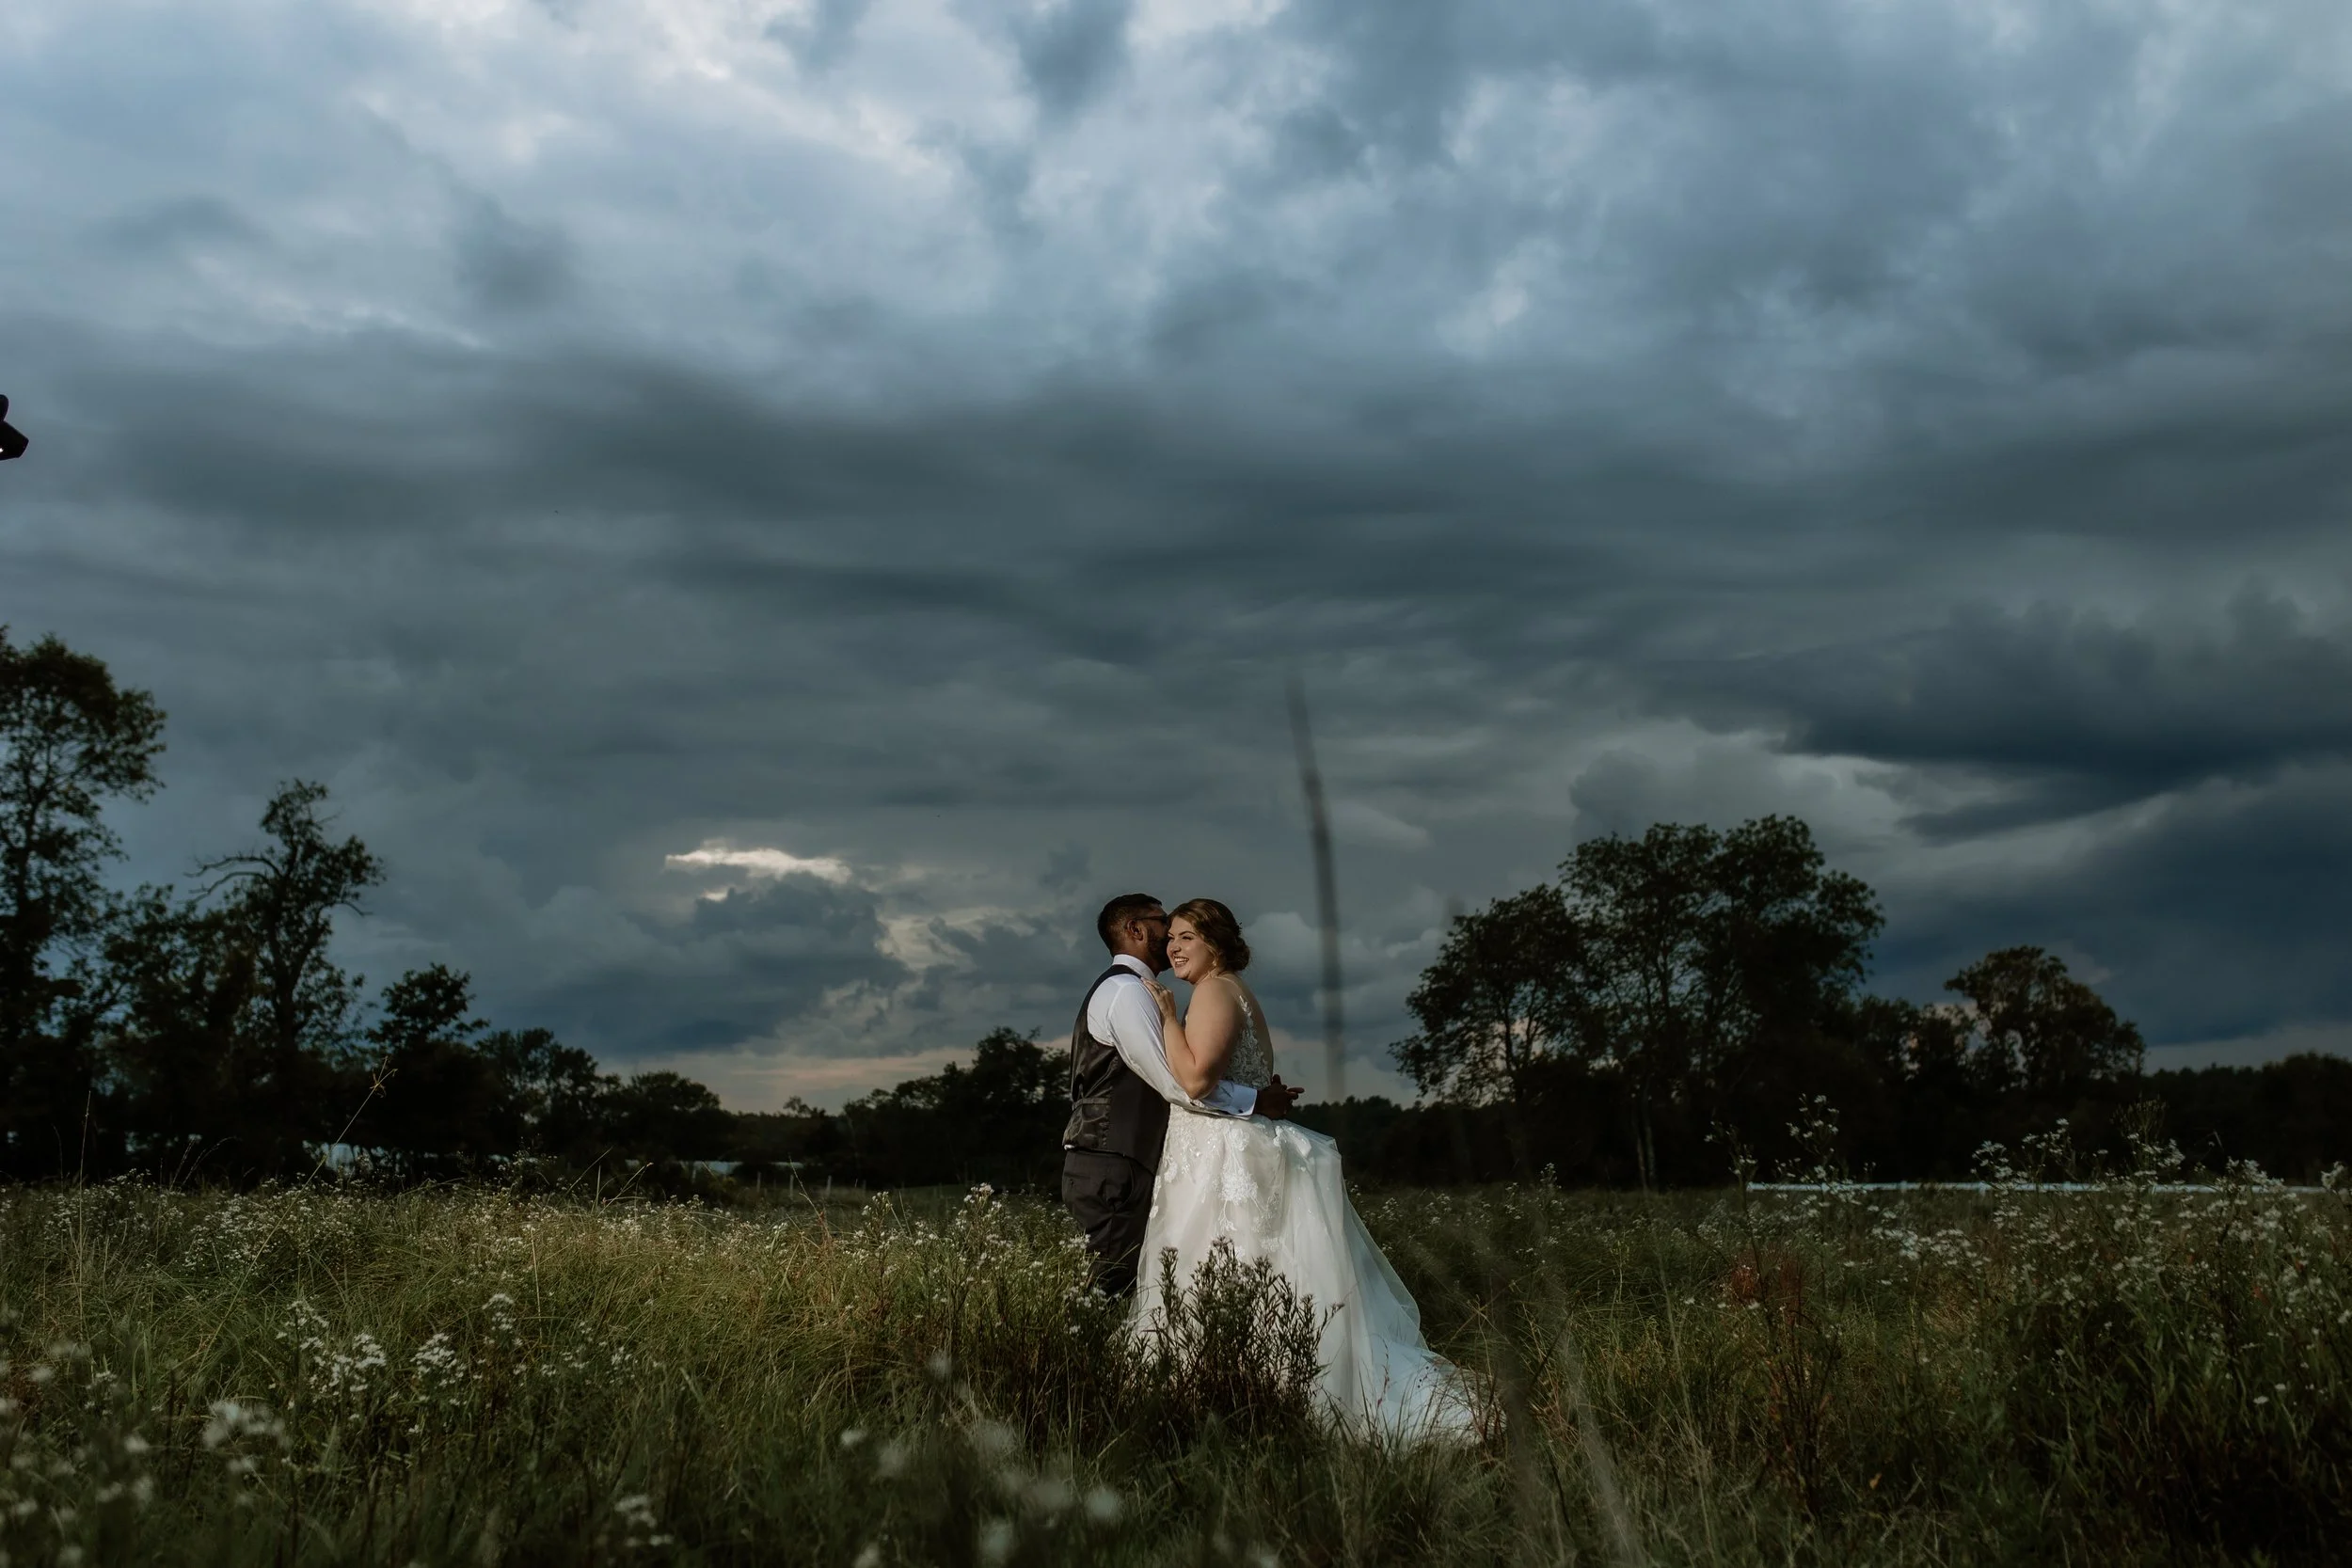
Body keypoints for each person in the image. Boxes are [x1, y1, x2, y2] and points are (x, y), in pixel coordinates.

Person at [1137, 897, 1478, 1437]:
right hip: (1225, 1144)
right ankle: (1233, 1386)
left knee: (1232, 1263)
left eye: (1186, 938)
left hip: (1225, 1153)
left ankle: (1264, 1391)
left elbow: (1196, 1081)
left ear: (1216, 945)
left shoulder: (1213, 993)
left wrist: (1167, 1020)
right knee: (1236, 1266)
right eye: (1171, 937)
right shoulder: (1226, 991)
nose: (1172, 947)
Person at [1060, 893, 1303, 1299]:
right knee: (1113, 1287)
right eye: (1164, 924)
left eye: (1184, 934)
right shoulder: (1128, 992)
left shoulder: (1181, 990)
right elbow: (1179, 1083)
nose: (1170, 939)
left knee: (1140, 1283)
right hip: (1113, 1161)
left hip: (1135, 1158)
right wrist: (1257, 1101)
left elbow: (1187, 1075)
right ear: (1137, 930)